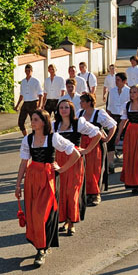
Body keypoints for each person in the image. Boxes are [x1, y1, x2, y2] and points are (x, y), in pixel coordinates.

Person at [15, 109, 81, 263]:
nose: (32, 122)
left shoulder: (54, 137)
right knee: (33, 215)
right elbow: (24, 163)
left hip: (48, 178)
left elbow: (75, 153)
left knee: (41, 214)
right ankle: (41, 245)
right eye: (32, 119)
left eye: (36, 119)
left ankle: (41, 250)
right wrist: (18, 185)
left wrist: (62, 169)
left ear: (44, 122)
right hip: (32, 178)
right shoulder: (28, 139)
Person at [53, 100, 99, 233]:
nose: (63, 110)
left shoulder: (78, 122)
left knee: (72, 191)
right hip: (59, 159)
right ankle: (65, 220)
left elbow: (97, 134)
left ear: (71, 109)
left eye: (66, 107)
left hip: (75, 160)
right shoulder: (54, 125)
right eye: (61, 107)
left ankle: (71, 222)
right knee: (61, 191)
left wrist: (87, 150)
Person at [77, 94, 115, 205]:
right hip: (82, 143)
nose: (80, 104)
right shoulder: (79, 114)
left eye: (82, 101)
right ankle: (86, 193)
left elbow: (113, 125)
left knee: (94, 169)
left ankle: (95, 194)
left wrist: (107, 138)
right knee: (84, 169)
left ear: (89, 102)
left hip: (95, 145)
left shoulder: (99, 113)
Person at [104, 71, 130, 174]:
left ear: (124, 81)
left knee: (126, 140)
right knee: (110, 139)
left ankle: (128, 163)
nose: (116, 82)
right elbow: (109, 107)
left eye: (118, 80)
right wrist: (109, 120)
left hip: (125, 118)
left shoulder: (129, 91)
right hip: (114, 117)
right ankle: (111, 163)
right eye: (115, 80)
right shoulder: (112, 91)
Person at [14, 64, 43, 136]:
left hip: (33, 103)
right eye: (26, 71)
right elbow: (21, 95)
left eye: (29, 70)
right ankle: (26, 137)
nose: (28, 72)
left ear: (32, 71)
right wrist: (17, 105)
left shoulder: (35, 81)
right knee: (20, 122)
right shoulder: (23, 82)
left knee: (34, 122)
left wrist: (39, 106)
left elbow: (40, 94)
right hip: (25, 103)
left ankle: (35, 136)